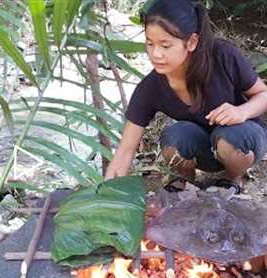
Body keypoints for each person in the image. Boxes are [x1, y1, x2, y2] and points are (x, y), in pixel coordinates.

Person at [105, 0, 267, 193]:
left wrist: (242, 111)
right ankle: (185, 180)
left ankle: (233, 178)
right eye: (150, 43)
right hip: (202, 148)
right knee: (174, 137)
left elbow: (263, 94)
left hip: (242, 140)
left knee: (229, 138)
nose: (156, 54)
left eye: (165, 45)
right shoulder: (150, 87)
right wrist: (108, 194)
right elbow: (125, 151)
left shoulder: (222, 55)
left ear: (191, 42)